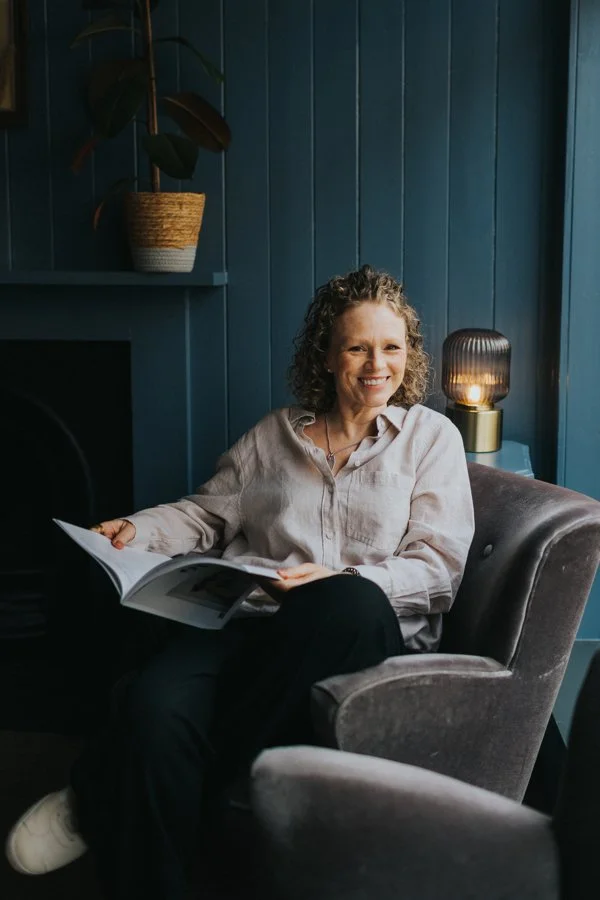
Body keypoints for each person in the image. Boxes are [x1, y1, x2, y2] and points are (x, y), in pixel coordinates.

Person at [5, 264, 475, 899]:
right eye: (358, 346)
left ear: (409, 355)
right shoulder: (271, 438)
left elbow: (438, 569)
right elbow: (205, 515)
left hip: (354, 635)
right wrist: (134, 531)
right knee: (156, 705)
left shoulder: (429, 439)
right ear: (327, 354)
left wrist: (337, 577)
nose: (376, 364)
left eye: (391, 347)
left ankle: (99, 788)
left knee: (344, 602)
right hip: (249, 625)